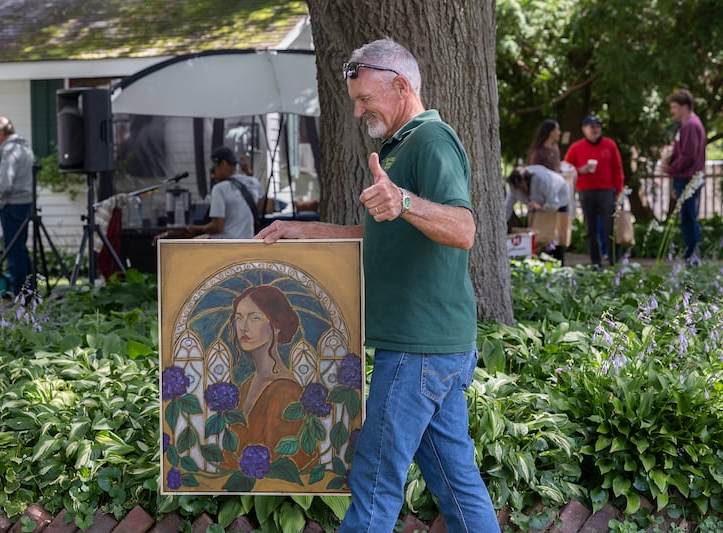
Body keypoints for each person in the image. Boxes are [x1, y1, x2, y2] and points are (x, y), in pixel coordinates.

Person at [256, 38, 500, 532]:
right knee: (456, 485)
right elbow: (378, 236)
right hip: (431, 347)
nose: (357, 111)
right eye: (354, 101)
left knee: (373, 480)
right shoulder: (400, 147)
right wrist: (301, 231)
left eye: (365, 99)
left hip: (418, 348)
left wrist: (403, 202)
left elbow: (464, 229)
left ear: (401, 86)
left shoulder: (430, 141)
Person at [221, 285, 315, 471]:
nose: (243, 327)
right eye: (239, 318)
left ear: (277, 324)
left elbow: (283, 467)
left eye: (255, 318)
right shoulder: (248, 385)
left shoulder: (286, 392)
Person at [155, 146, 263, 241]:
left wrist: (196, 228)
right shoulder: (253, 182)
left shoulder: (219, 188)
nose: (211, 173)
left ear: (223, 163)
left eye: (213, 167)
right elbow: (253, 193)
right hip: (248, 243)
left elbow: (217, 227)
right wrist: (247, 171)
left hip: (225, 244)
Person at [563, 115, 624, 268]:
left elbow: (617, 169)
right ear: (584, 129)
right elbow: (566, 169)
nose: (595, 129)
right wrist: (580, 170)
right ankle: (596, 262)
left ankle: (614, 261)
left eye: (597, 126)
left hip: (606, 191)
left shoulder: (609, 145)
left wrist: (619, 191)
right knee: (591, 229)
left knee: (610, 227)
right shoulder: (576, 147)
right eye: (592, 127)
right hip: (586, 191)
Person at [0, 116, 34, 296]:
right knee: (21, 249)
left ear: (1, 133)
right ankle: (29, 292)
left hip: (12, 205)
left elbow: (6, 184)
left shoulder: (9, 150)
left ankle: (20, 296)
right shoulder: (25, 148)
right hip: (26, 203)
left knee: (14, 251)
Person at [666, 89, 706, 263]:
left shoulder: (690, 125)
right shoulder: (688, 124)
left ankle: (693, 257)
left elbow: (688, 155)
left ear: (684, 107)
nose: (672, 111)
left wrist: (670, 169)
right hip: (685, 177)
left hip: (688, 178)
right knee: (687, 217)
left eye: (674, 107)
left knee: (689, 218)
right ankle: (691, 256)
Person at [505, 165, 570, 264]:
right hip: (536, 206)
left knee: (554, 237)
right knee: (535, 235)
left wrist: (540, 207)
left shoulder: (543, 180)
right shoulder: (514, 187)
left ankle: (558, 264)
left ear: (526, 180)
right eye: (517, 187)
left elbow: (554, 204)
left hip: (558, 200)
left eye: (521, 186)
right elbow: (508, 207)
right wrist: (501, 224)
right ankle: (538, 263)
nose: (520, 189)